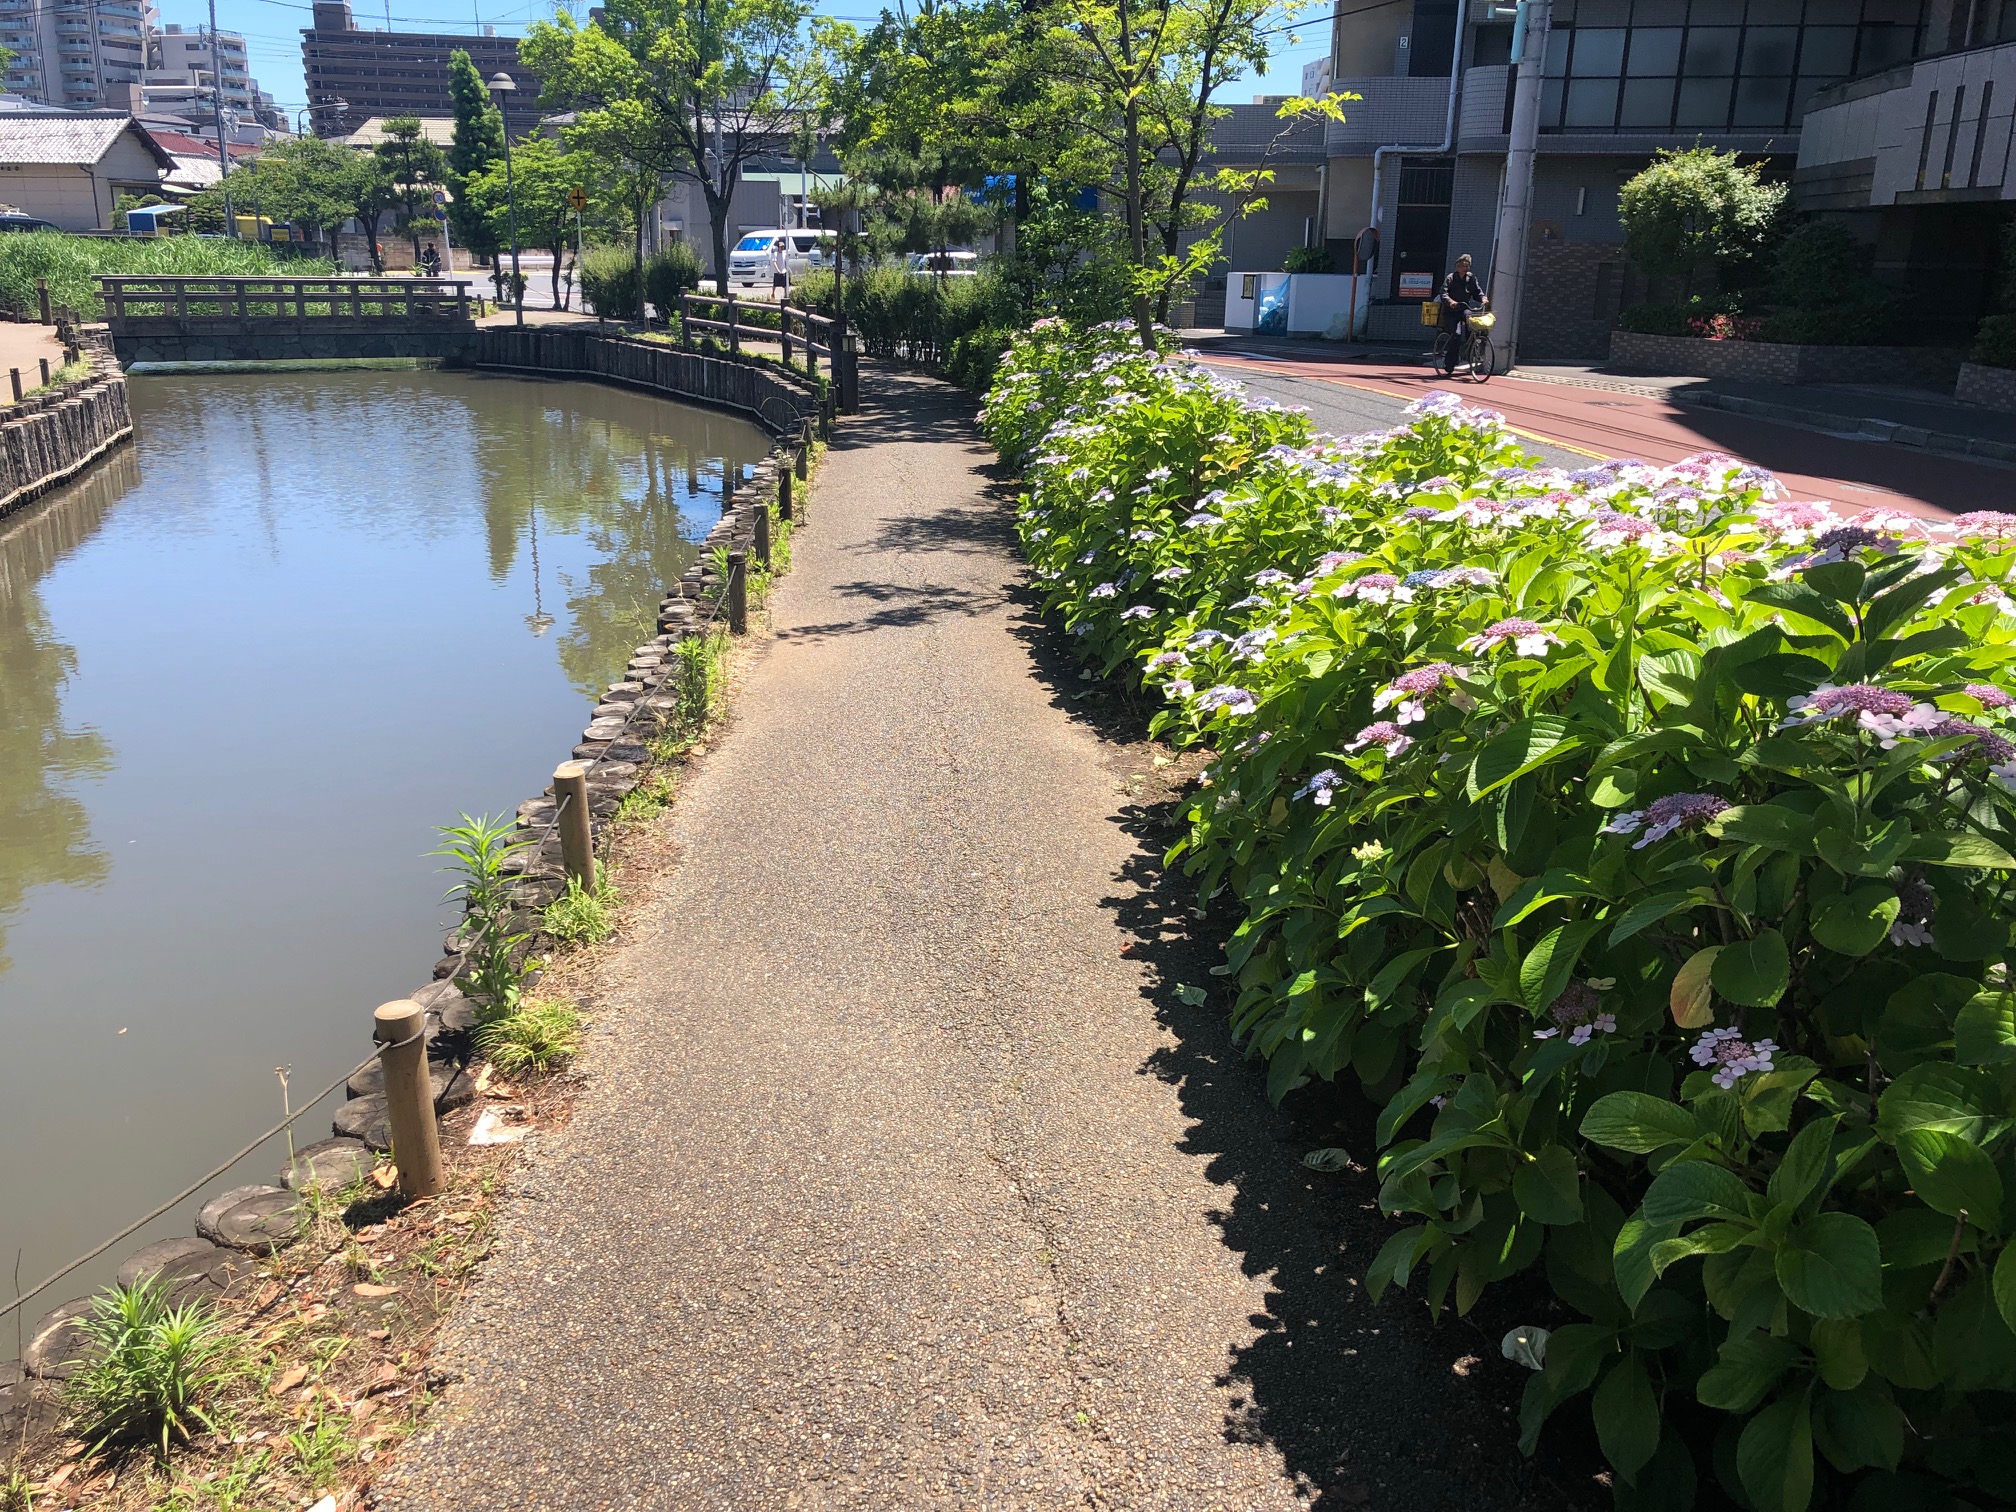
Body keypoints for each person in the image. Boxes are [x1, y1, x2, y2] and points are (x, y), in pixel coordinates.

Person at [1438, 253, 1487, 375]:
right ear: (1457, 266)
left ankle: (1470, 350)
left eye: (1467, 266)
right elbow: (1443, 293)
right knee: (1456, 335)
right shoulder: (1451, 278)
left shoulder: (1471, 278)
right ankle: (1450, 364)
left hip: (1464, 308)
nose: (1464, 268)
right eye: (1462, 266)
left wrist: (1483, 298)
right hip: (1451, 311)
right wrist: (1450, 302)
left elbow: (1477, 291)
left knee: (1472, 323)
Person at [769, 235, 790, 301]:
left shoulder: (784, 253)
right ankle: (773, 293)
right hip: (777, 271)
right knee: (775, 284)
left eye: (783, 247)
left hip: (783, 270)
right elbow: (774, 262)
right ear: (778, 247)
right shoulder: (775, 254)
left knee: (785, 284)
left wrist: (787, 269)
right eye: (781, 247)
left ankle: (785, 295)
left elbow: (786, 261)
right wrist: (778, 269)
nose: (782, 248)